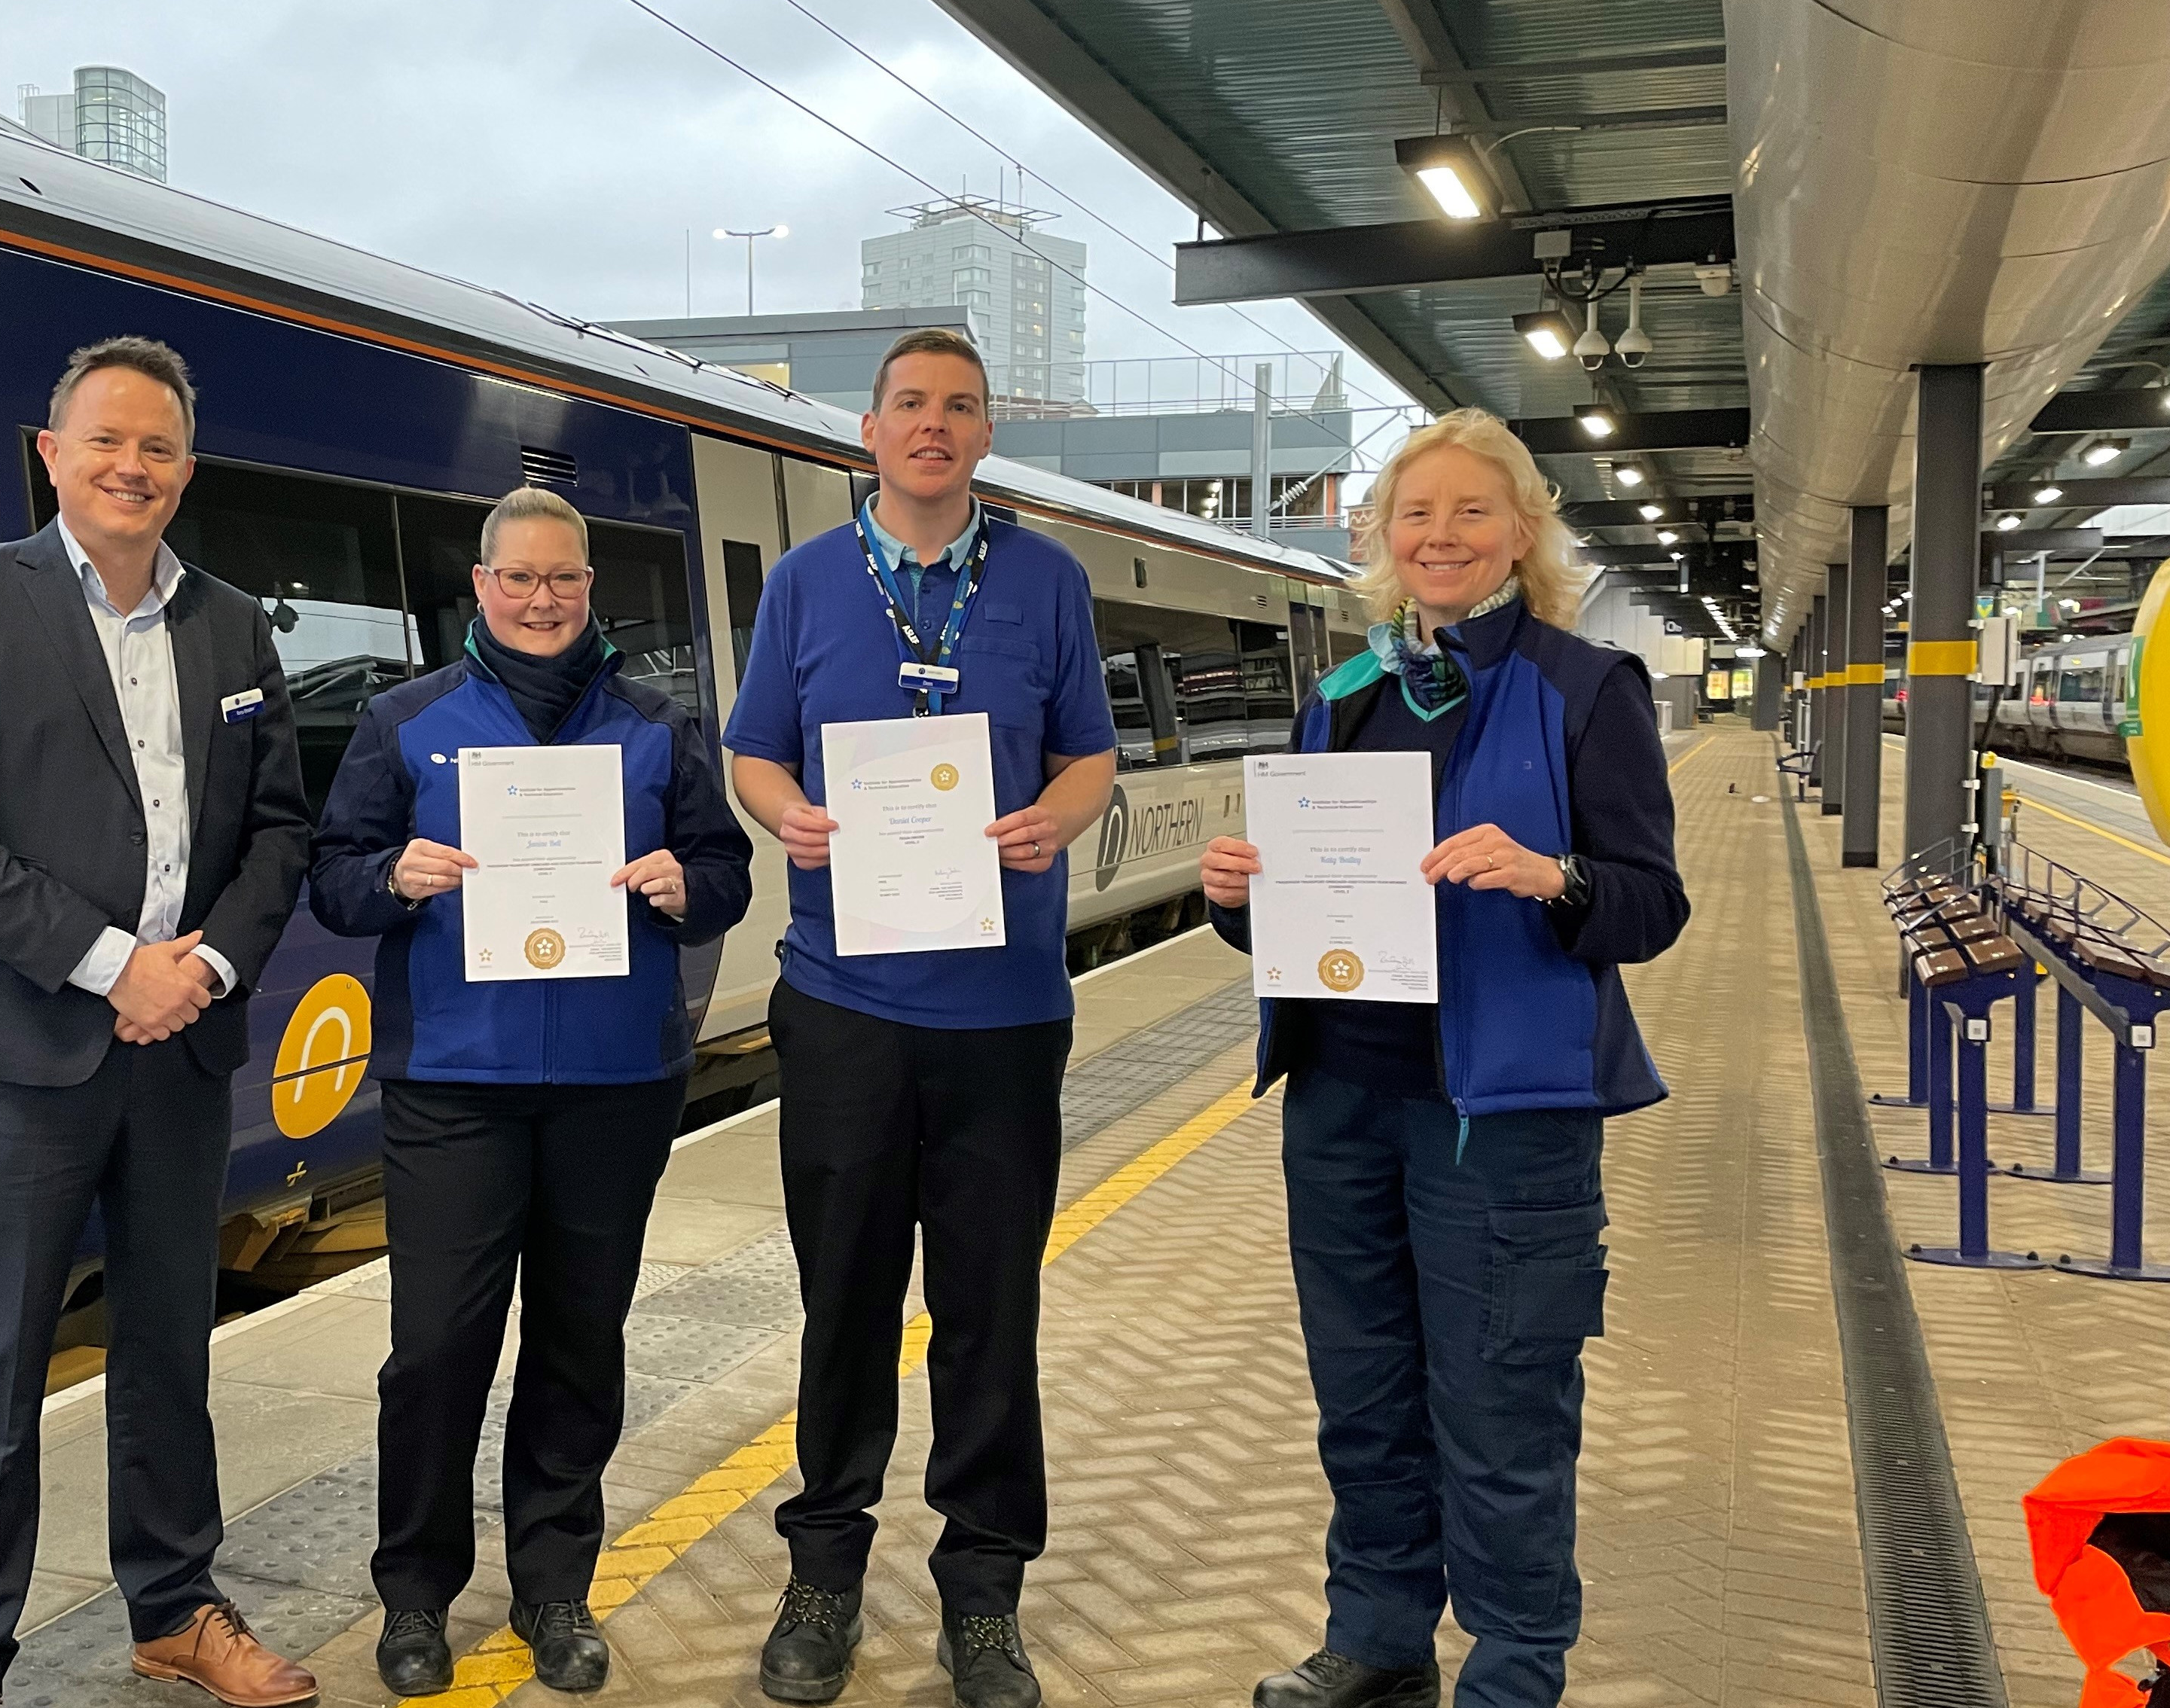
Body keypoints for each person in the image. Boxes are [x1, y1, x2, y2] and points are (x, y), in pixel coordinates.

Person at [1197, 408, 1687, 1708]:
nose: (1441, 535)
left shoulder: (1587, 690)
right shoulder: (1343, 697)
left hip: (1505, 1120)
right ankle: (1378, 1638)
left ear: (1522, 534)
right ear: (1382, 539)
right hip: (1341, 1096)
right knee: (1363, 1398)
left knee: (1502, 1412)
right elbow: (1301, 913)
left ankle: (1516, 1673)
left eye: (1472, 511)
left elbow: (1653, 902)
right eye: (1416, 514)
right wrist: (1238, 894)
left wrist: (1553, 875)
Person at [0, 337, 316, 1708]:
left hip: (182, 1047)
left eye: (160, 448)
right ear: (50, 455)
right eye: (107, 443)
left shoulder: (235, 624)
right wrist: (111, 964)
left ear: (187, 471)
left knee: (168, 1347)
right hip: (20, 1050)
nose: (134, 467)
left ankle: (175, 1606)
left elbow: (279, 831)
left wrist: (201, 975)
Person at [719, 327, 1118, 1708]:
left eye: (959, 406)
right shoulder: (808, 585)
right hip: (843, 1004)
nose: (932, 425)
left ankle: (986, 1589)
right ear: (871, 431)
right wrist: (795, 819)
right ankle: (824, 1573)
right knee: (845, 1301)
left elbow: (1093, 758)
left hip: (1005, 1008)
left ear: (984, 433)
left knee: (988, 1307)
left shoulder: (1049, 581)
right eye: (909, 405)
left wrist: (1051, 823)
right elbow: (753, 750)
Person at [308, 485, 754, 1697]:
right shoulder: (406, 722)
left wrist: (682, 883)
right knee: (436, 1349)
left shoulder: (659, 726)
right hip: (455, 1084)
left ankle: (556, 1589)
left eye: (565, 579)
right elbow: (333, 879)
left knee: (578, 1340)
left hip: (617, 1083)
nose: (543, 599)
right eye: (520, 579)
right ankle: (415, 1595)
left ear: (590, 589)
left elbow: (728, 874)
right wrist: (392, 876)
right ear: (483, 588)